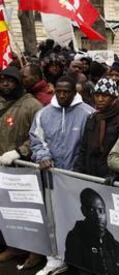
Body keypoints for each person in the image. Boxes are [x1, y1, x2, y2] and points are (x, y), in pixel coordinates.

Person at [29, 75, 94, 274]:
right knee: (53, 217)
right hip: (51, 178)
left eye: (67, 92)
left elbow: (90, 146)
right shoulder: (43, 114)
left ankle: (80, 259)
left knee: (78, 218)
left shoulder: (88, 114)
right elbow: (36, 140)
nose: (63, 95)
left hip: (77, 179)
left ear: (75, 92)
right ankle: (55, 257)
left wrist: (79, 170)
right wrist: (42, 155)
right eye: (59, 91)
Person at [0, 66, 43, 269]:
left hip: (24, 169)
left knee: (28, 213)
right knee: (8, 211)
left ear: (18, 83)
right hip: (3, 170)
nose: (5, 84)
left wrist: (19, 151)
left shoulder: (32, 106)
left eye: (10, 81)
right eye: (2, 81)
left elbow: (40, 137)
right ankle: (14, 247)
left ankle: (35, 252)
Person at [74, 78, 119, 178]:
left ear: (114, 98)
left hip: (111, 178)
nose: (100, 99)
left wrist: (117, 175)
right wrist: (78, 169)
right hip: (90, 174)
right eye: (97, 95)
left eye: (105, 96)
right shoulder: (93, 117)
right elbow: (84, 147)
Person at [65, 188, 119, 275]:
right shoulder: (75, 240)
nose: (98, 216)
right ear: (83, 211)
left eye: (101, 211)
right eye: (92, 210)